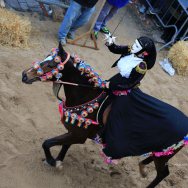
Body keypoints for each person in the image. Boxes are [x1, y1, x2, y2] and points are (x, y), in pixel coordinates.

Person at [99, 36, 188, 160]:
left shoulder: (141, 66)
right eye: (134, 43)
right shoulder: (133, 50)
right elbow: (117, 49)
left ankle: (108, 141)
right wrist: (110, 43)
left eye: (136, 46)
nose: (132, 46)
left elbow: (129, 83)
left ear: (144, 52)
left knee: (117, 117)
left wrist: (111, 85)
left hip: (123, 90)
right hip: (115, 82)